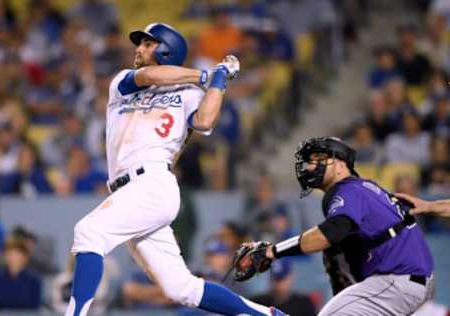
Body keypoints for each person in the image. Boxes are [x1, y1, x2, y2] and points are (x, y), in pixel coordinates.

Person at [64, 22, 286, 316]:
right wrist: (207, 73)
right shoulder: (123, 82)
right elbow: (150, 75)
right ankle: (268, 315)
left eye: (147, 44)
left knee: (89, 232)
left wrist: (218, 82)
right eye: (139, 43)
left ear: (166, 51)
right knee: (181, 288)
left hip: (152, 183)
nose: (138, 48)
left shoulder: (189, 94)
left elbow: (205, 122)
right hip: (128, 189)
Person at [237, 137, 435, 315]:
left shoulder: (348, 190)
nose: (309, 166)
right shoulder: (362, 189)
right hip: (403, 280)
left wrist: (272, 250)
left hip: (396, 280)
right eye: (310, 161)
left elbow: (329, 233)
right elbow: (337, 253)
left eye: (318, 159)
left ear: (341, 165)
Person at [0, 237, 42, 310]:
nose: (12, 257)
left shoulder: (34, 281)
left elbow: (35, 309)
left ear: (25, 256)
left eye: (16, 253)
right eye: (9, 253)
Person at [251, 257, 317, 316]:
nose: (278, 285)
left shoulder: (304, 304)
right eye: (276, 279)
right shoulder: (257, 303)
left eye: (282, 279)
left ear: (290, 276)